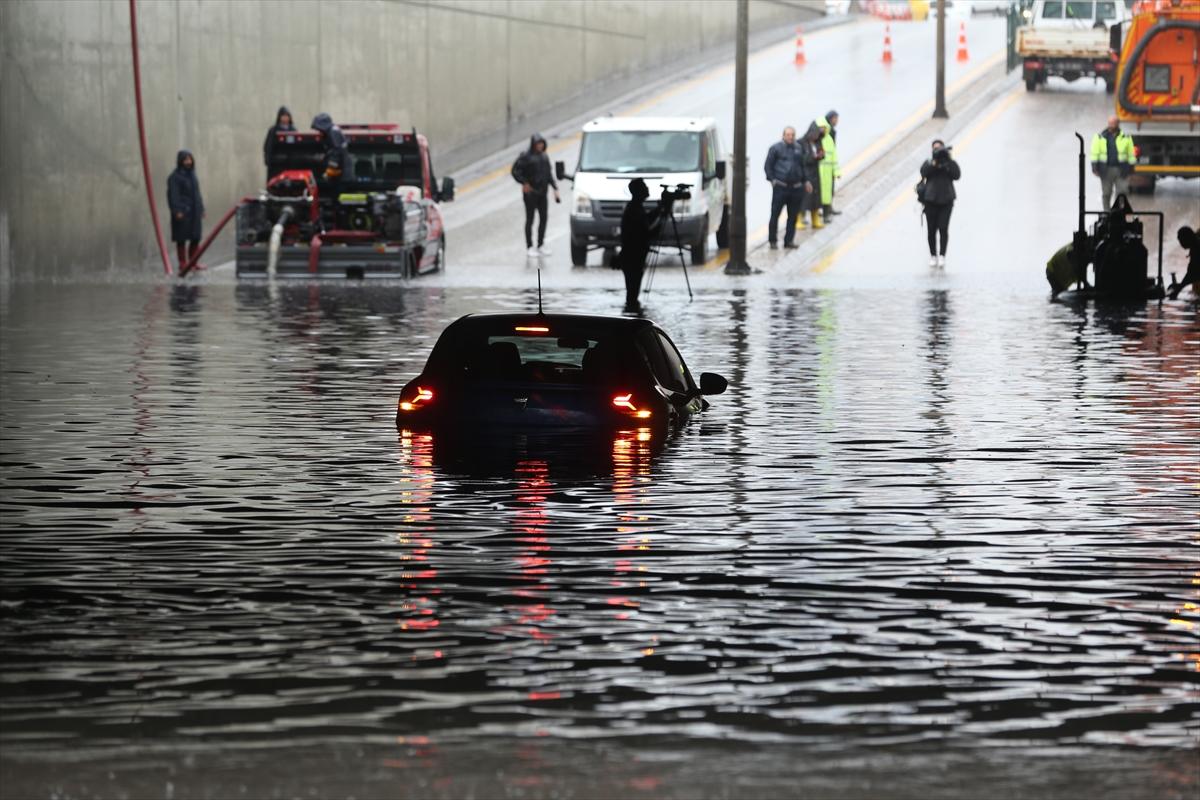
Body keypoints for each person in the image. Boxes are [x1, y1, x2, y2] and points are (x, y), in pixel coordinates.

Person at [616, 178, 671, 313]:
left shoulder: (635, 207)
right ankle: (632, 315)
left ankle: (632, 313)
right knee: (632, 293)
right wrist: (662, 219)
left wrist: (659, 209)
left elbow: (646, 220)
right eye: (644, 187)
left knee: (632, 291)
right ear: (638, 191)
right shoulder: (634, 209)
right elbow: (645, 233)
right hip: (633, 257)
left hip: (632, 256)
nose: (647, 189)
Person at [511, 133, 560, 257]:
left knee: (543, 218)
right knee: (530, 219)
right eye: (538, 143)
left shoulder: (544, 157)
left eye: (542, 143)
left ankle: (540, 244)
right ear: (533, 144)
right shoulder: (525, 157)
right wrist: (524, 183)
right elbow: (515, 171)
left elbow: (549, 174)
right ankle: (529, 246)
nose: (540, 146)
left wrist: (555, 188)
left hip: (542, 193)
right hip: (530, 193)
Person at [763, 127, 810, 249]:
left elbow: (803, 166)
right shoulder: (775, 148)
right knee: (775, 215)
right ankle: (772, 240)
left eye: (792, 135)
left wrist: (806, 181)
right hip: (781, 187)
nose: (790, 137)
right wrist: (772, 180)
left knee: (793, 216)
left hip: (796, 188)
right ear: (783, 135)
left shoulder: (798, 148)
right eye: (788, 134)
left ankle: (789, 240)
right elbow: (768, 166)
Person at [919, 140, 960, 267]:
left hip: (946, 200)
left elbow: (957, 175)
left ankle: (942, 255)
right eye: (935, 148)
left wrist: (948, 160)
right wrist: (934, 162)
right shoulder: (929, 161)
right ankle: (933, 255)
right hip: (930, 200)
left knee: (943, 228)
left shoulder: (948, 162)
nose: (937, 150)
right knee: (931, 230)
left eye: (939, 148)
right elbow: (923, 172)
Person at [167, 150, 204, 271]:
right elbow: (173, 196)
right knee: (181, 239)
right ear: (180, 161)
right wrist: (177, 210)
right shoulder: (174, 177)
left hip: (194, 212)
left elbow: (198, 194)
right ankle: (183, 263)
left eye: (190, 159)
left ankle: (193, 263)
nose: (188, 162)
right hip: (183, 212)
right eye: (186, 159)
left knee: (195, 238)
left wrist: (201, 208)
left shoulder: (193, 176)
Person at [1090, 115, 1135, 213]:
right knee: (1106, 193)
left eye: (1113, 123)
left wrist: (1131, 167)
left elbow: (1131, 153)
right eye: (1110, 123)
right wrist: (1094, 167)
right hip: (1106, 169)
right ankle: (1106, 212)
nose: (1111, 125)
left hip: (1121, 169)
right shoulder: (1100, 137)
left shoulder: (1126, 137)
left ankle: (1118, 212)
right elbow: (1094, 153)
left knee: (1122, 192)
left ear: (1118, 124)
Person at [798, 121, 825, 230]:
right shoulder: (801, 143)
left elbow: (820, 153)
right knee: (804, 198)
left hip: (815, 173)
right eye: (815, 134)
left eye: (817, 134)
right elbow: (802, 159)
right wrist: (813, 157)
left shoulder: (817, 142)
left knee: (816, 198)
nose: (816, 136)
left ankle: (815, 219)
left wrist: (821, 155)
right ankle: (799, 219)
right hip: (806, 174)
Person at [817, 110, 842, 222]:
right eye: (836, 118)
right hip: (819, 171)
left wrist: (836, 171)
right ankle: (822, 211)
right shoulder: (818, 137)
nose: (837, 121)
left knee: (829, 191)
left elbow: (833, 154)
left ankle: (827, 210)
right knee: (821, 192)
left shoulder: (830, 136)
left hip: (828, 169)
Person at [311, 112, 351, 181]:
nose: (319, 132)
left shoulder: (333, 132)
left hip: (342, 174)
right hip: (341, 170)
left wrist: (331, 168)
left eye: (319, 130)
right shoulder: (333, 130)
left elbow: (336, 150)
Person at [262, 106, 295, 182]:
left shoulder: (293, 130)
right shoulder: (273, 130)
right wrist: (268, 160)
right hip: (275, 164)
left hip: (289, 164)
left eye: (287, 116)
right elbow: (268, 146)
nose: (285, 118)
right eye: (283, 115)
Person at [1167, 225, 1198, 300]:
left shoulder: (1197, 249)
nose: (1181, 244)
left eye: (1181, 240)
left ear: (1187, 238)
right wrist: (1180, 286)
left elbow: (1192, 273)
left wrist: (1178, 289)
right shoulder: (1195, 246)